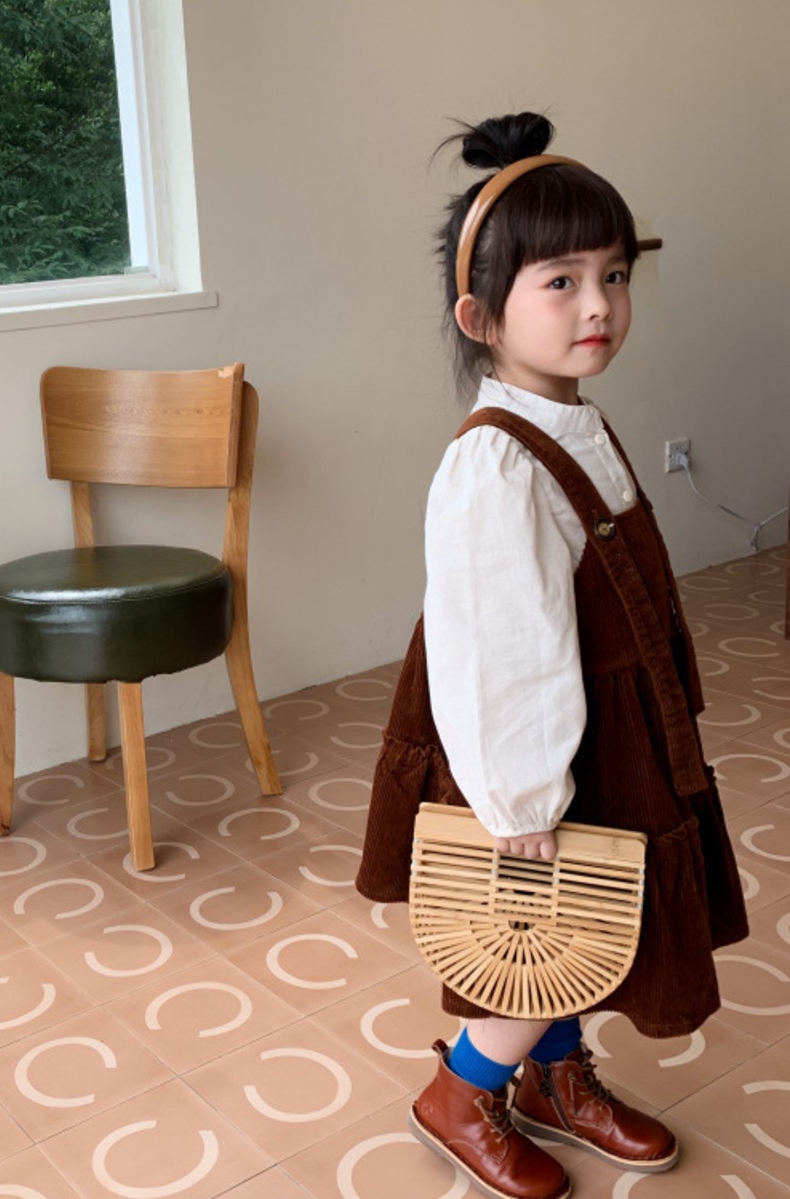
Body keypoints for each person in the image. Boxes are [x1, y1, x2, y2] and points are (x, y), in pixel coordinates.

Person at [356, 112, 748, 1199]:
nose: (598, 305)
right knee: (544, 923)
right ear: (479, 315)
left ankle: (555, 1077)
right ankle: (461, 1091)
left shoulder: (573, 418)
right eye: (561, 282)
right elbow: (498, 649)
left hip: (600, 728)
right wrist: (521, 798)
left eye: (614, 274)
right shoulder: (495, 465)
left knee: (590, 924)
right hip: (534, 748)